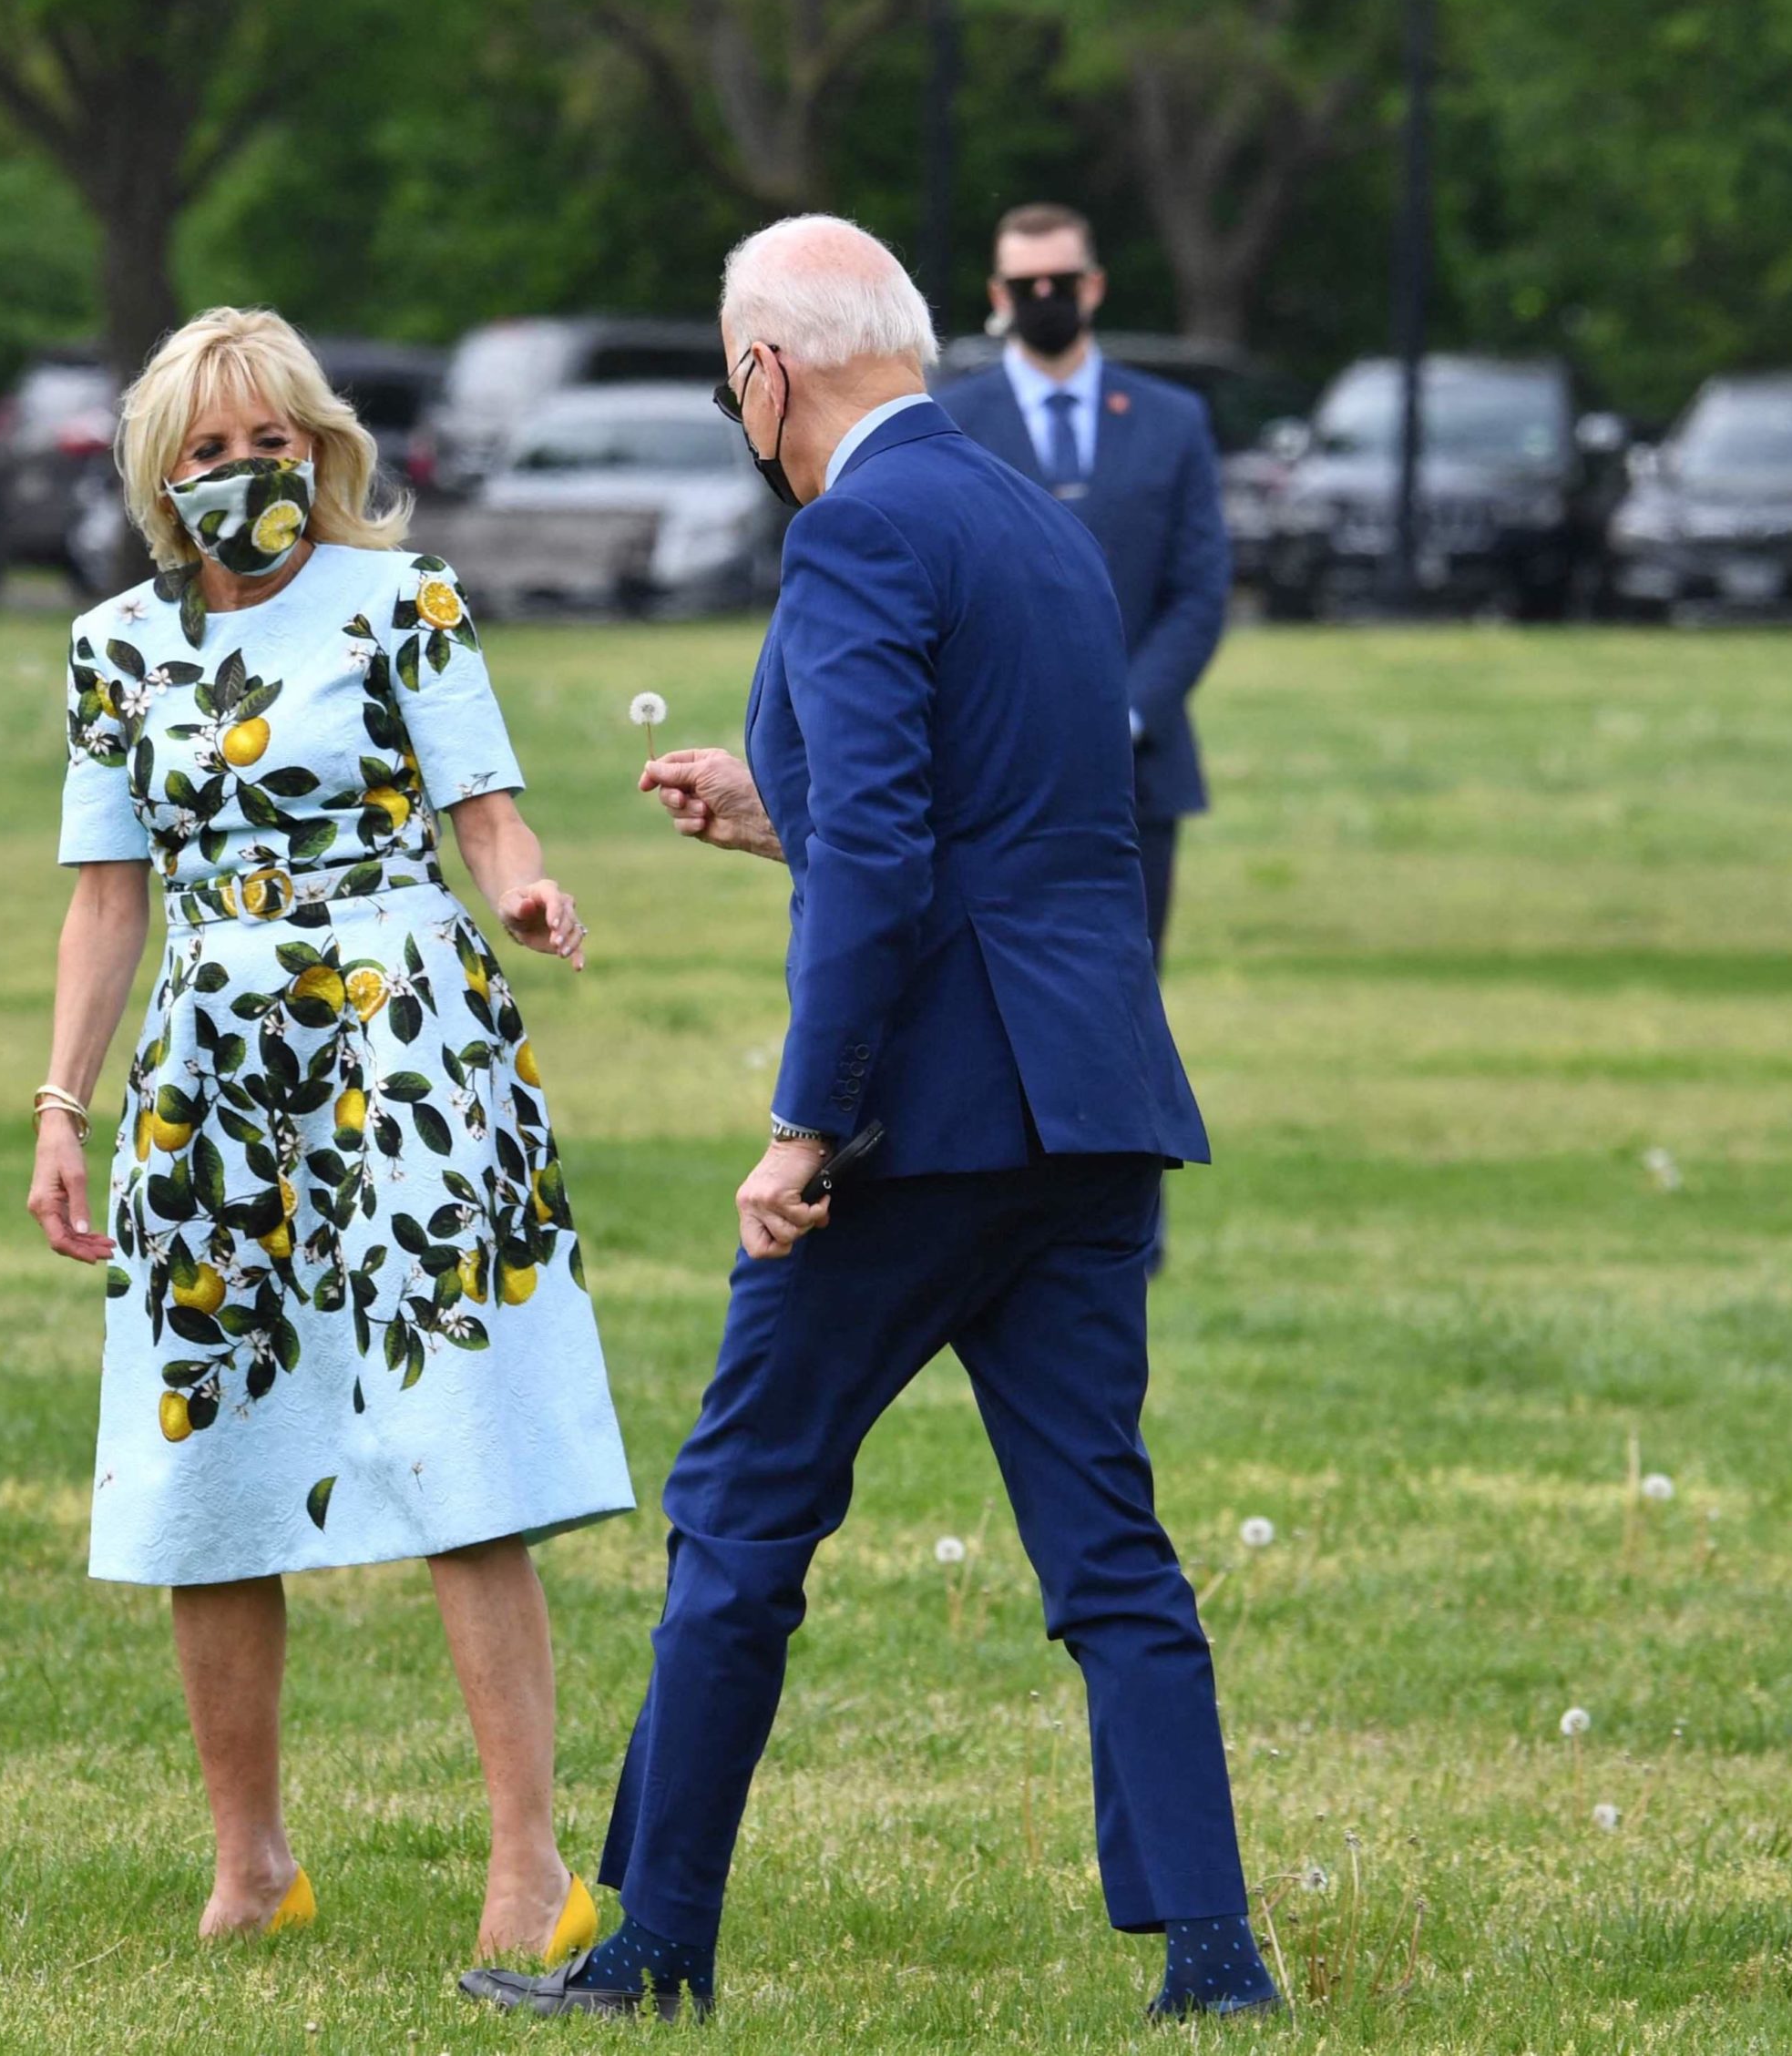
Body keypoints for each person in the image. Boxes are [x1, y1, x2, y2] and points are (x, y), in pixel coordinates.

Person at [460, 220, 1275, 2025]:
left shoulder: (853, 536)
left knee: (737, 1516)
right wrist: (784, 806)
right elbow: (1007, 822)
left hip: (920, 1124)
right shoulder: (1041, 533)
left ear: (765, 372)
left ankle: (652, 1947)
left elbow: (897, 874)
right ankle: (1212, 1956)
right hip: (1091, 1103)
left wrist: (804, 1124)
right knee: (1104, 1539)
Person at [26, 305, 631, 1959]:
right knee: (205, 1451)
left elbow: (486, 821)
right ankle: (253, 1865)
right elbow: (106, 901)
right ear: (162, 475)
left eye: (273, 444)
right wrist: (63, 1106)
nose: (246, 476)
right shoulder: (114, 652)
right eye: (210, 454)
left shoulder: (403, 603)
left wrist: (525, 889)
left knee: (459, 1436)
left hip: (406, 1040)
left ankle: (530, 1867)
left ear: (324, 452)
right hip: (207, 1068)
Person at [936, 204, 1231, 974]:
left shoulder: (1173, 420)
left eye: (1059, 280)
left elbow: (1199, 592)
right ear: (998, 298)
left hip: (1138, 771)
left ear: (1093, 286)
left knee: (1127, 994)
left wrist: (1124, 712)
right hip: (994, 773)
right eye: (1023, 283)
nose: (1044, 296)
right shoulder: (949, 420)